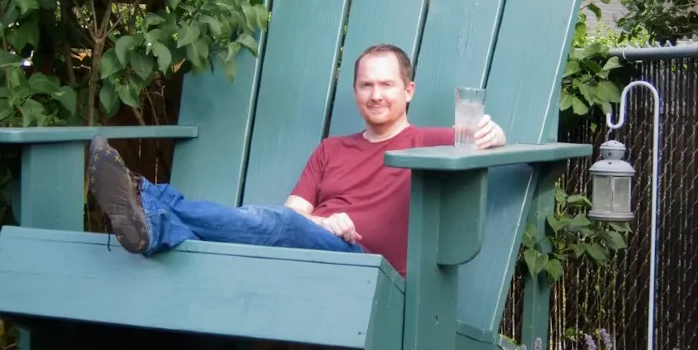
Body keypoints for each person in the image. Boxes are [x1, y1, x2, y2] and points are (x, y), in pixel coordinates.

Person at [88, 44, 506, 277]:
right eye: (366, 85)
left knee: (274, 223)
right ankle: (155, 223)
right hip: (310, 250)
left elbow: (490, 140)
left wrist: (495, 134)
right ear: (355, 91)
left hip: (365, 269)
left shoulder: (429, 141)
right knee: (271, 223)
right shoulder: (331, 149)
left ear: (409, 90)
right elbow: (292, 217)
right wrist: (325, 224)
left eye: (386, 85)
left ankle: (149, 200)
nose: (376, 94)